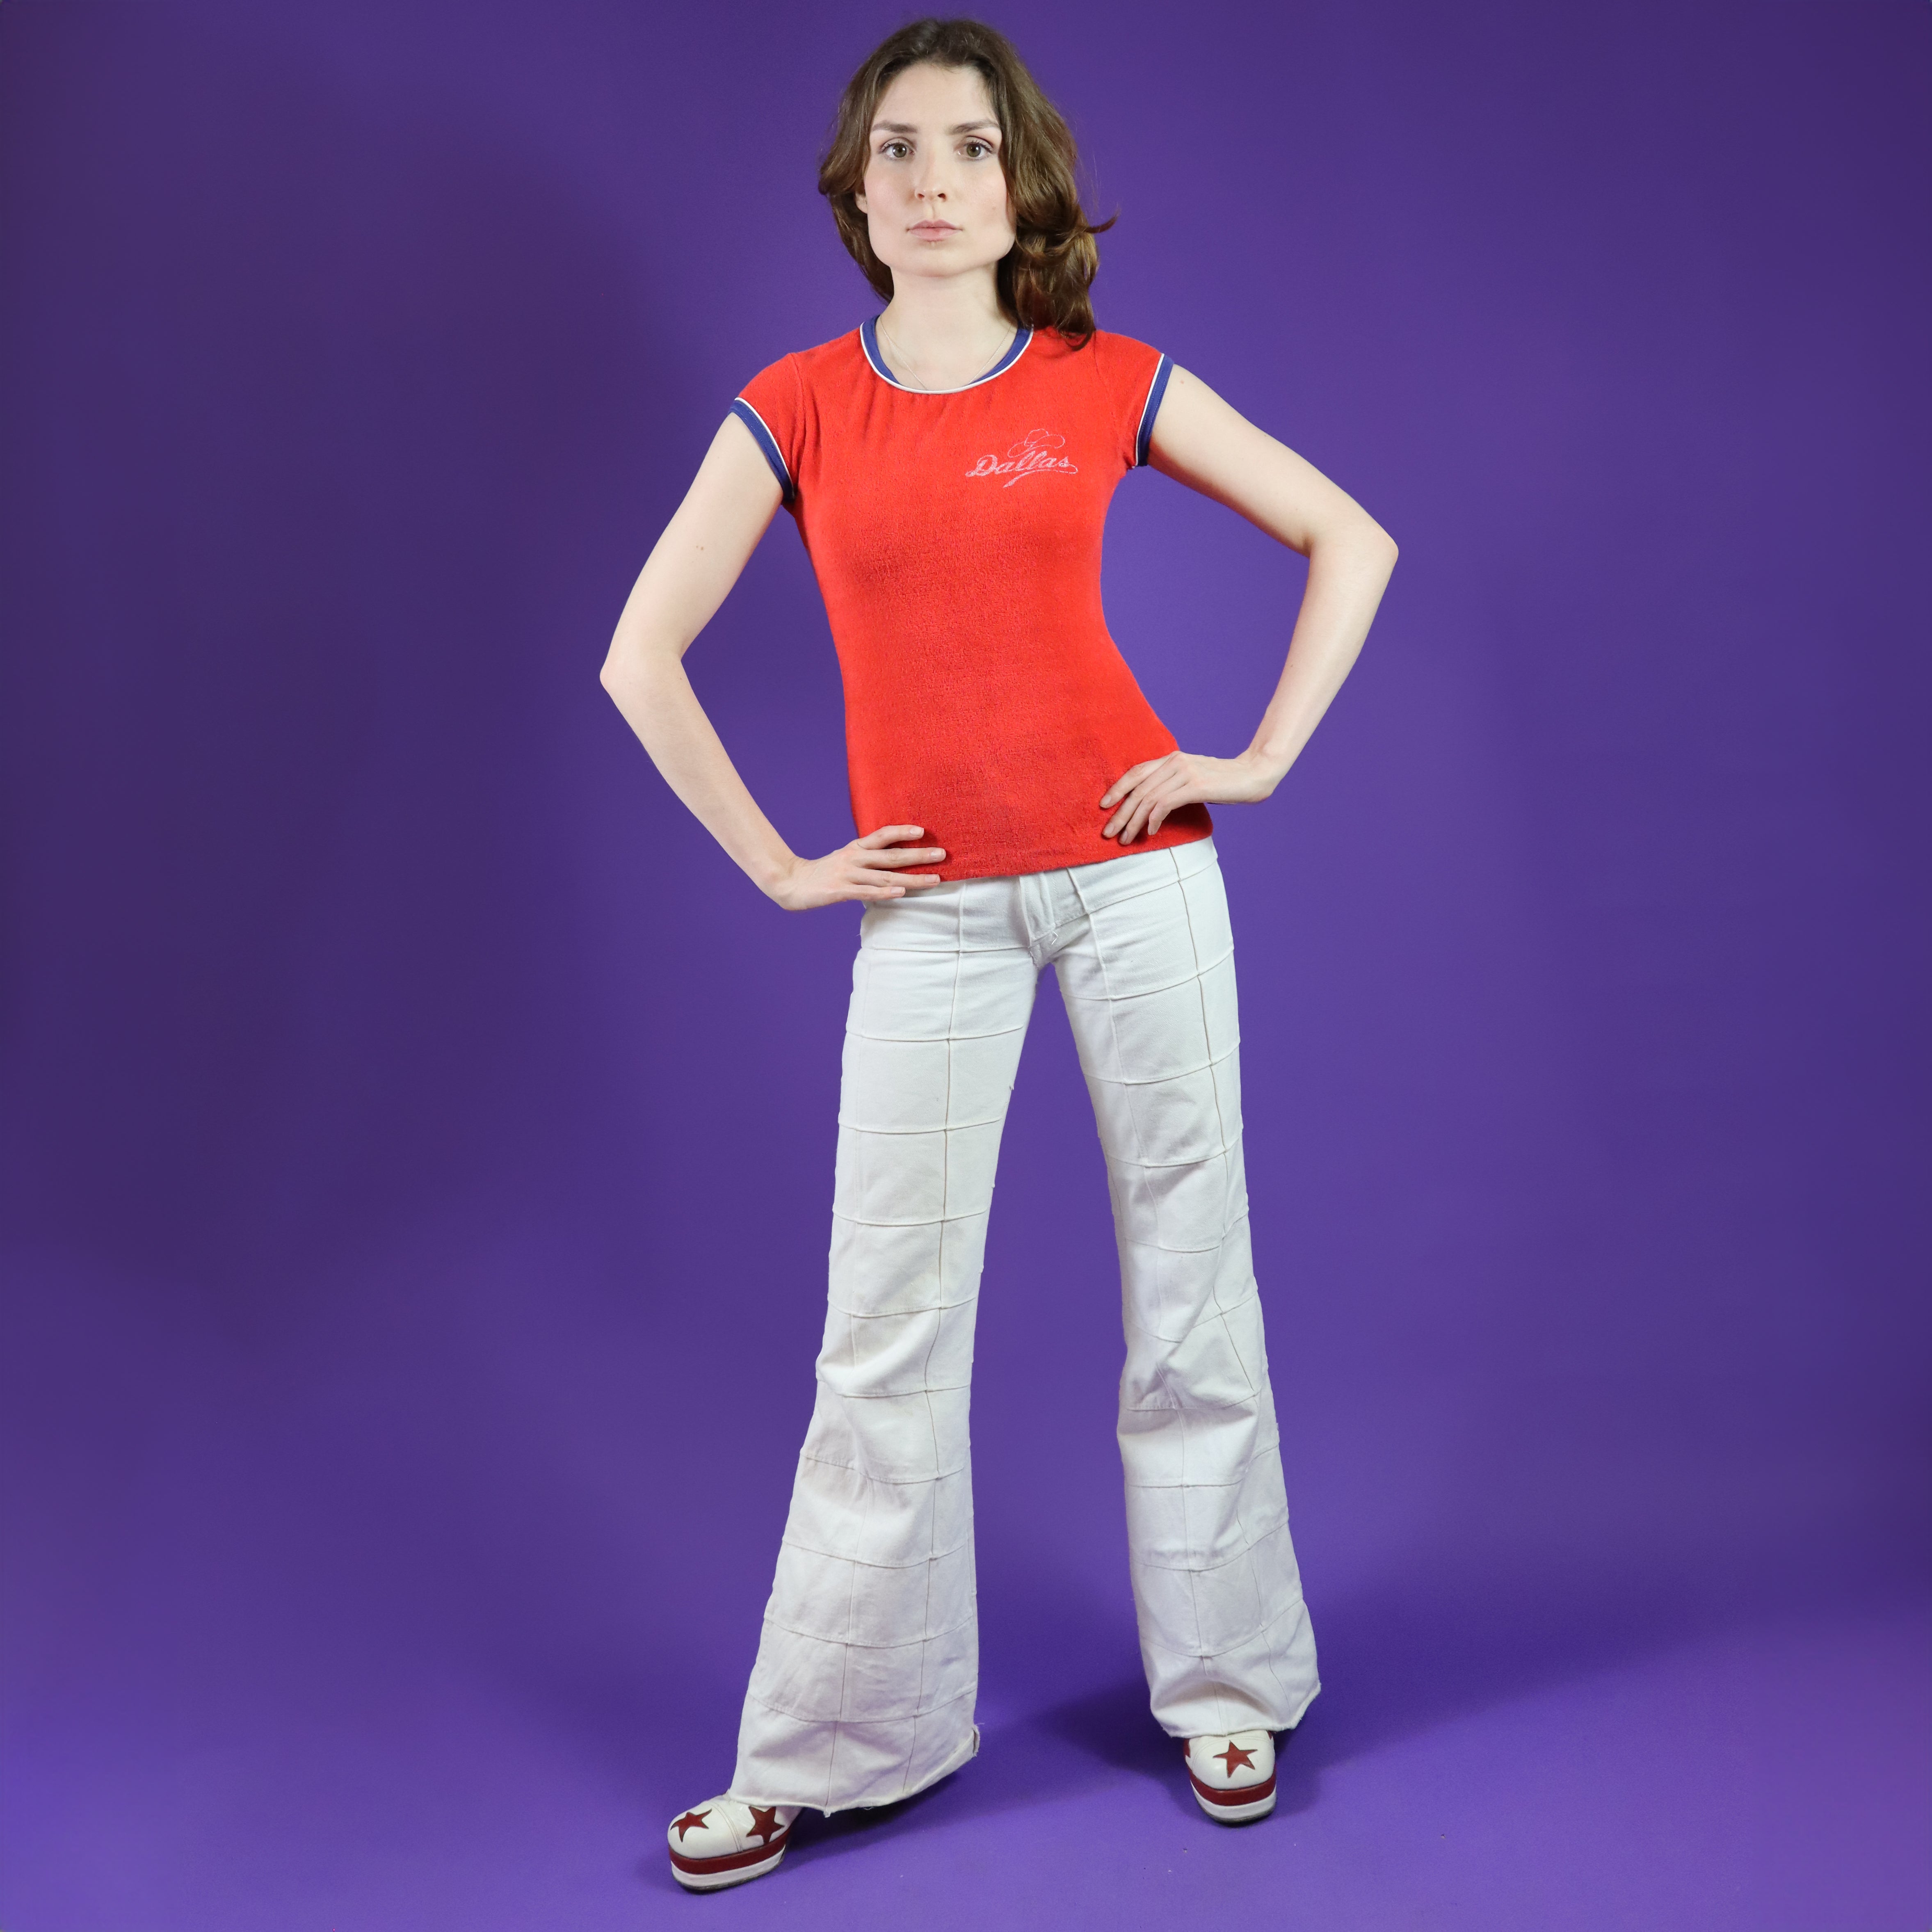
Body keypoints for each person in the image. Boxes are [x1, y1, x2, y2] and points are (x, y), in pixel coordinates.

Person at [599, 17, 1397, 1893]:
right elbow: (639, 655)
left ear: (1020, 183)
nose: (933, 179)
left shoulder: (1104, 379)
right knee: (884, 1322)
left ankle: (1228, 1683)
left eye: (968, 147)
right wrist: (780, 864)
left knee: (1190, 1287)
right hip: (930, 909)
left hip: (1137, 878)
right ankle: (829, 1742)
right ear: (854, 188)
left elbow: (1344, 536)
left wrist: (1252, 758)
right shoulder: (794, 406)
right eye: (897, 148)